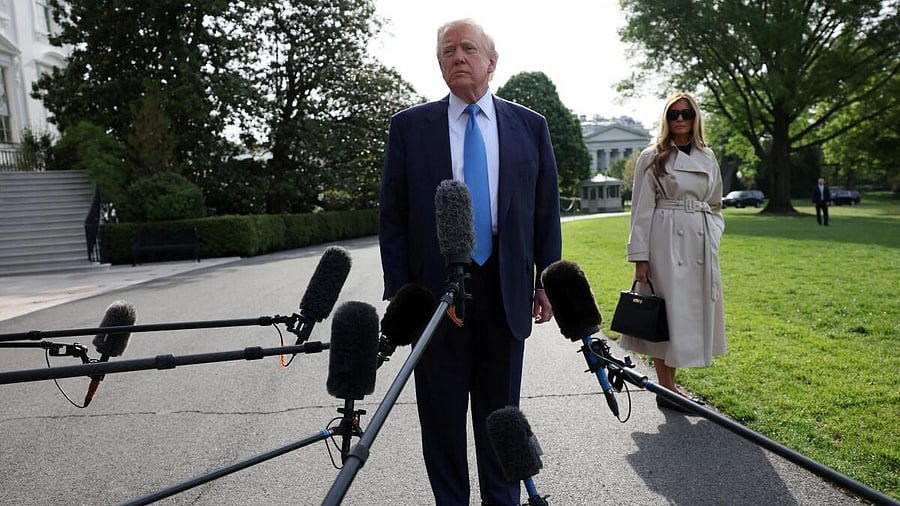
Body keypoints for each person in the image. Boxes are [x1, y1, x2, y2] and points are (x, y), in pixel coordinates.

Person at [378, 18, 562, 506]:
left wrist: (546, 281)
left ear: (491, 62)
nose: (457, 57)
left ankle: (503, 501)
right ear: (439, 65)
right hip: (436, 293)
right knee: (440, 413)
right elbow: (392, 214)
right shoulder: (409, 128)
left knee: (501, 413)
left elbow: (545, 210)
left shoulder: (530, 126)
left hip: (505, 287)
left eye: (468, 49)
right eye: (447, 51)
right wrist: (400, 290)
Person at [621, 92, 726, 413]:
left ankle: (669, 387)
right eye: (674, 114)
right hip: (665, 241)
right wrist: (641, 258)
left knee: (682, 317)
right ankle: (667, 388)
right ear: (666, 119)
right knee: (664, 314)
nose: (680, 119)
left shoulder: (708, 157)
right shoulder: (652, 157)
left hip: (699, 242)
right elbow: (640, 210)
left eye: (686, 114)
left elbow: (716, 203)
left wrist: (713, 233)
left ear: (696, 119)